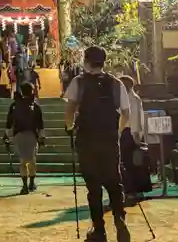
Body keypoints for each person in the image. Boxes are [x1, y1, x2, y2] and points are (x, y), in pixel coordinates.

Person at [64, 46, 131, 242]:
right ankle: (119, 218)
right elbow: (126, 113)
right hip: (109, 140)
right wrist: (116, 132)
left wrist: (69, 127)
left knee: (93, 187)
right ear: (104, 61)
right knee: (114, 182)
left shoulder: (79, 82)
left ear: (86, 60)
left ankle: (99, 230)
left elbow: (69, 110)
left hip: (86, 141)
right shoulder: (115, 83)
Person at [6, 83, 45, 194]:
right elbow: (40, 124)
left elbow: (9, 122)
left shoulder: (15, 105)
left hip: (19, 135)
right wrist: (42, 137)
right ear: (32, 91)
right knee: (32, 160)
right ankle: (32, 183)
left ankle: (24, 186)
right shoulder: (35, 106)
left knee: (23, 161)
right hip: (32, 135)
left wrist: (7, 136)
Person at [119, 76, 152, 200]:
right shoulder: (133, 98)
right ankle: (132, 187)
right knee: (131, 162)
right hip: (130, 132)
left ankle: (131, 188)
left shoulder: (131, 99)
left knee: (129, 162)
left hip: (129, 132)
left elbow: (136, 118)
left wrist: (137, 134)